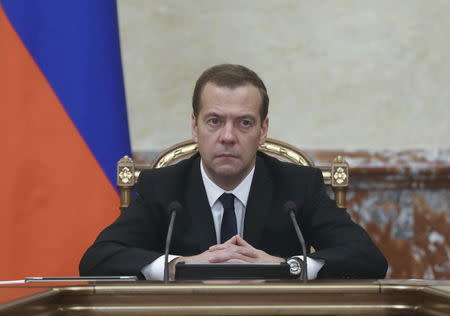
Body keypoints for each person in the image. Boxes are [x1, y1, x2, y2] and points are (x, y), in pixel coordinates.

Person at [79, 64, 388, 280]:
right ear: (194, 126)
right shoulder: (163, 187)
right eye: (214, 121)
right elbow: (97, 259)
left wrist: (288, 267)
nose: (228, 136)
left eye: (244, 123)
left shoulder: (297, 186)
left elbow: (367, 258)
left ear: (263, 130)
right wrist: (176, 266)